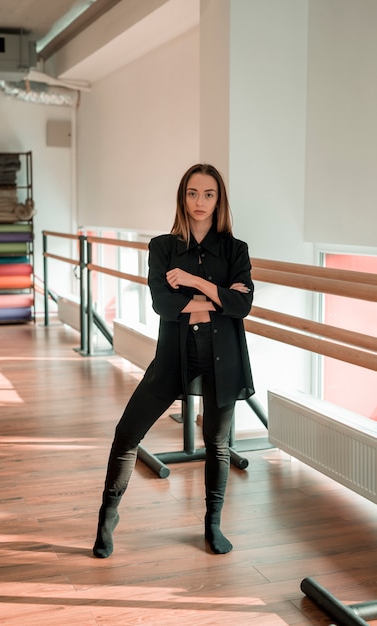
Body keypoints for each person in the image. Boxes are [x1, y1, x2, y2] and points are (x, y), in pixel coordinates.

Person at [93, 163, 254, 558]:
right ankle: (107, 517)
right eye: (193, 193)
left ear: (220, 200)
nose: (200, 202)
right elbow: (163, 304)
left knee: (217, 444)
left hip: (223, 358)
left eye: (209, 194)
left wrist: (197, 284)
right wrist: (219, 297)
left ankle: (212, 524)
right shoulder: (162, 247)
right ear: (183, 198)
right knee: (127, 433)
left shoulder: (236, 250)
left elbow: (243, 304)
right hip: (172, 357)